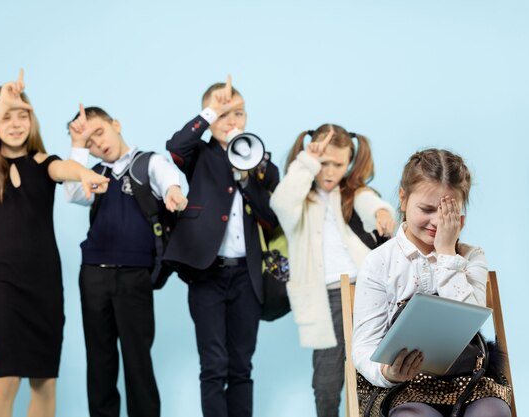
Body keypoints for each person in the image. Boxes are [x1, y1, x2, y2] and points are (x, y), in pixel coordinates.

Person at [0, 70, 109, 417]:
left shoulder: (43, 162)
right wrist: (3, 99)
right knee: (7, 378)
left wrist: (86, 173)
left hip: (44, 286)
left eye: (22, 116)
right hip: (3, 285)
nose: (15, 124)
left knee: (45, 383)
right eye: (5, 118)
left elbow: (64, 171)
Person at [352, 148, 512, 416]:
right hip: (402, 385)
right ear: (403, 199)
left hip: (466, 380)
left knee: (492, 412)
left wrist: (447, 253)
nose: (437, 222)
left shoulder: (471, 256)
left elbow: (469, 319)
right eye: (426, 209)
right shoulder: (380, 262)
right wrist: (387, 372)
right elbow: (364, 345)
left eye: (448, 211)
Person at [164, 76, 279, 417]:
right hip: (207, 273)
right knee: (213, 364)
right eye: (225, 115)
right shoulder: (199, 154)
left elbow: (271, 215)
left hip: (247, 275)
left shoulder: (260, 161)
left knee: (241, 366)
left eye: (239, 114)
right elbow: (175, 145)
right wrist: (211, 110)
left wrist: (246, 175)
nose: (232, 121)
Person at [63, 104, 187, 417]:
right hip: (93, 275)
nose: (98, 144)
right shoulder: (94, 174)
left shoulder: (147, 162)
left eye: (99, 132)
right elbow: (75, 193)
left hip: (134, 275)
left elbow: (170, 178)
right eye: (89, 143)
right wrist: (77, 147)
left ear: (115, 124)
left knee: (137, 360)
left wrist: (173, 191)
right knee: (100, 361)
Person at [270, 124, 395, 417]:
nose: (329, 172)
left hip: (366, 290)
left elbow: (370, 204)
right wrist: (307, 162)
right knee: (326, 383)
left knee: (374, 373)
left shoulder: (354, 192)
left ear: (348, 162)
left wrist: (382, 213)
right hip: (327, 296)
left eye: (337, 164)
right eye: (323, 163)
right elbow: (281, 203)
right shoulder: (300, 199)